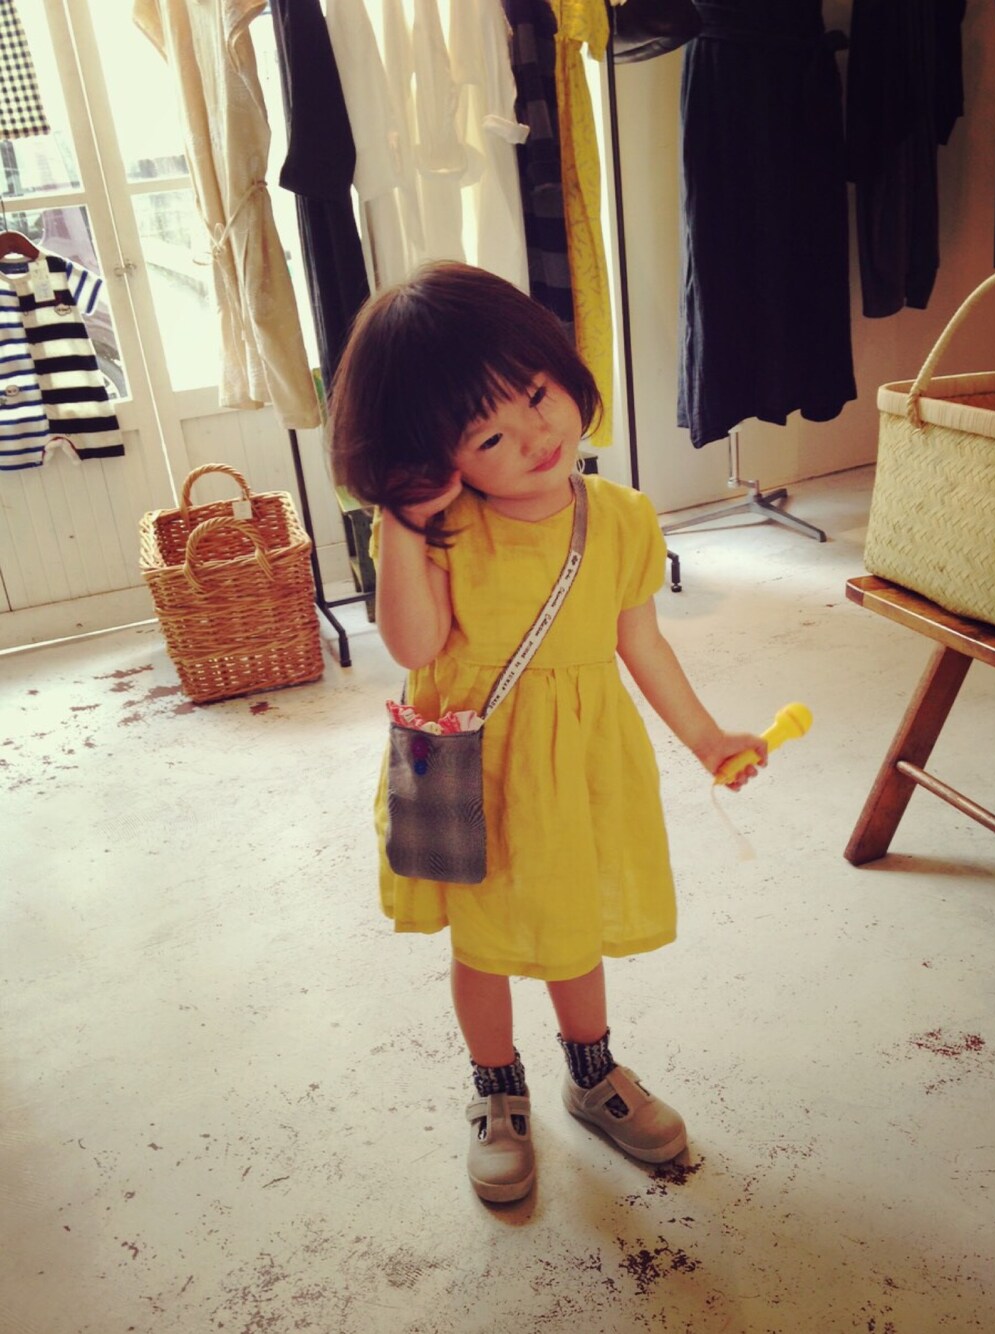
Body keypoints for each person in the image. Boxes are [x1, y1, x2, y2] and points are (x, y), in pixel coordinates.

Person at [329, 262, 766, 1205]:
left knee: (573, 924)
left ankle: (592, 1073)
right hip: (472, 770)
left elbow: (640, 641)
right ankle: (497, 1089)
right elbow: (411, 645)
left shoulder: (622, 518)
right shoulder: (443, 528)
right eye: (488, 435)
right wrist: (400, 519)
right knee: (482, 940)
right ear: (439, 457)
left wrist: (706, 737)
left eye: (535, 394)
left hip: (577, 768)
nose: (534, 436)